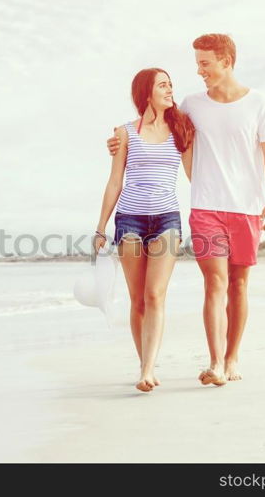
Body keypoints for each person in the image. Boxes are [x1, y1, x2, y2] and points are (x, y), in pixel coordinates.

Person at [107, 34, 265, 387]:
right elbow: (153, 121)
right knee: (214, 282)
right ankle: (216, 363)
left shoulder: (260, 103)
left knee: (239, 284)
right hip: (205, 207)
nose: (199, 70)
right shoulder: (191, 104)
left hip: (247, 207)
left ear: (226, 61)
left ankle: (233, 358)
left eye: (205, 63)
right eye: (198, 63)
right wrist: (119, 140)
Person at [94, 68, 194, 392]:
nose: (170, 89)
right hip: (130, 220)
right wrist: (100, 227)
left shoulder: (182, 128)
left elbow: (195, 173)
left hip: (167, 218)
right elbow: (114, 182)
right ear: (146, 93)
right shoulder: (124, 133)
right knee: (137, 299)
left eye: (170, 84)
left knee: (155, 294)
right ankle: (144, 367)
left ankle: (149, 369)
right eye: (162, 85)